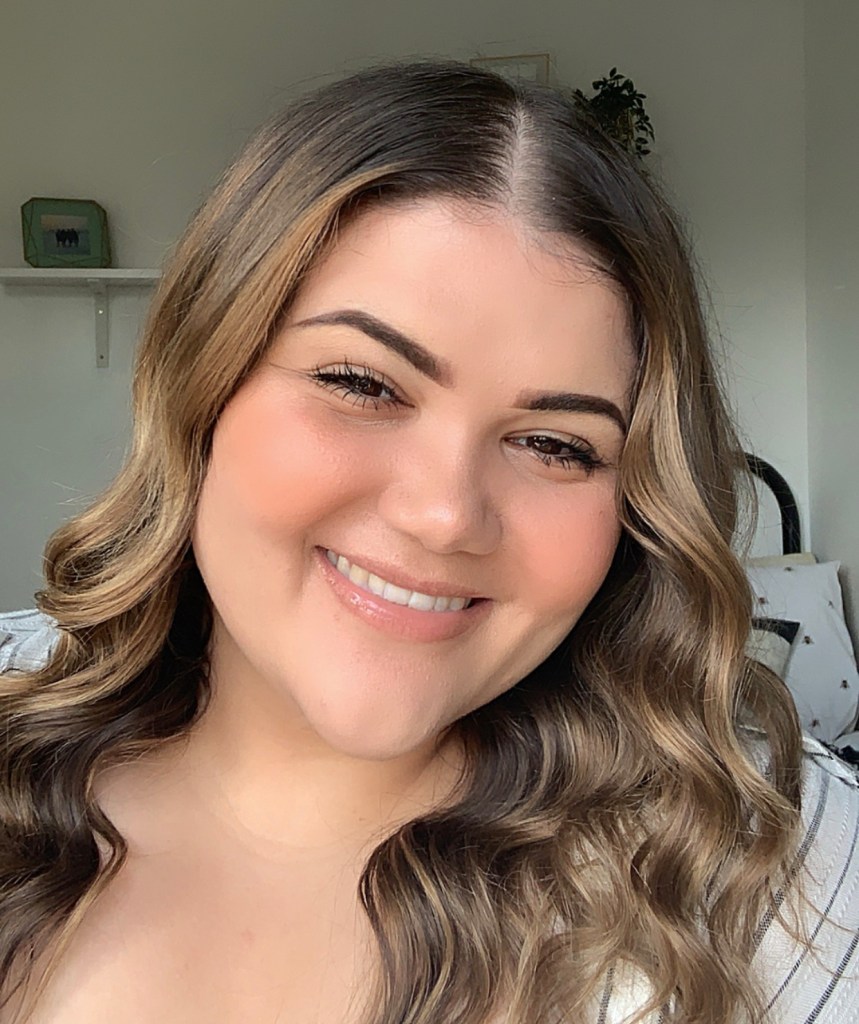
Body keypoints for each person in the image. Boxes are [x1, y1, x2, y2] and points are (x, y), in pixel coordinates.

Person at [0, 59, 857, 1024]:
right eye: (362, 384)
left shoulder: (778, 885)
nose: (444, 516)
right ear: (202, 387)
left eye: (554, 444)